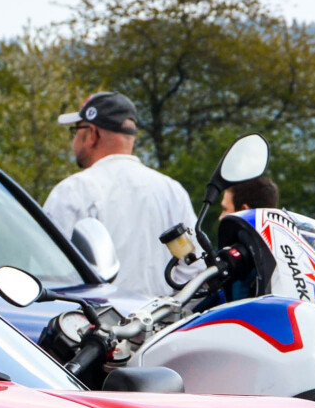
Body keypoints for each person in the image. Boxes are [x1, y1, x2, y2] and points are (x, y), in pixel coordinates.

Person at [42, 92, 198, 305]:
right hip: (163, 327)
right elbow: (194, 268)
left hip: (96, 329)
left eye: (76, 130)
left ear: (92, 134)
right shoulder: (172, 191)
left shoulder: (74, 190)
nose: (74, 140)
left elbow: (51, 271)